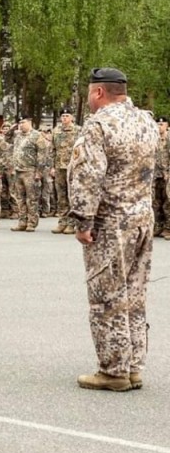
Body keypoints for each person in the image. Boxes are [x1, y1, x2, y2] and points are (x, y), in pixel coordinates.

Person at [68, 67, 158, 392]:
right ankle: (133, 366)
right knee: (134, 294)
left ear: (98, 93)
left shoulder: (99, 124)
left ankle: (113, 370)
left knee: (107, 295)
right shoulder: (146, 121)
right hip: (142, 219)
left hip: (111, 223)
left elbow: (88, 175)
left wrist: (82, 220)